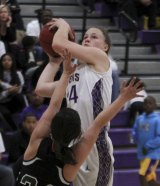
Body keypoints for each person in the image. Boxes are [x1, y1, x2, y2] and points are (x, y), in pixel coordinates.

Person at [16, 48, 144, 185]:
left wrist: (65, 73)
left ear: (52, 127)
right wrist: (123, 98)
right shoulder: (69, 167)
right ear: (77, 135)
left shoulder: (35, 144)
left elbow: (54, 105)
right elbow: (97, 124)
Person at [36, 19, 113, 186]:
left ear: (105, 47)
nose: (87, 39)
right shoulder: (73, 75)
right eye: (85, 36)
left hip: (95, 145)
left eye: (94, 37)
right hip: (74, 145)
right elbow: (41, 89)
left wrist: (63, 24)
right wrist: (54, 62)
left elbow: (58, 44)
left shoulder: (100, 59)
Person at [132, 96, 160, 186]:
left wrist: (148, 146)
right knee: (150, 179)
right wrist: (133, 136)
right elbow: (135, 131)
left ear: (155, 105)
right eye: (145, 103)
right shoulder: (139, 119)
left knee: (142, 173)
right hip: (142, 153)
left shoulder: (157, 119)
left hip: (152, 153)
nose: (147, 105)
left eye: (150, 103)